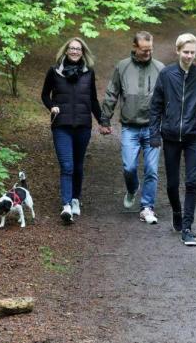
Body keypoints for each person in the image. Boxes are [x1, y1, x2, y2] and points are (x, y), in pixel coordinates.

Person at [149, 33, 196, 246]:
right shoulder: (167, 75)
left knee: (191, 182)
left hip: (193, 136)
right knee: (171, 184)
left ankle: (187, 227)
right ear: (178, 51)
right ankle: (177, 211)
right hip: (170, 136)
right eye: (185, 52)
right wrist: (154, 134)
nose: (189, 56)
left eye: (192, 52)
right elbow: (156, 106)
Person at [99, 31, 166, 224]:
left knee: (152, 169)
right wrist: (105, 120)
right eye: (144, 49)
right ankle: (132, 188)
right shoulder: (122, 67)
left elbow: (169, 98)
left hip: (153, 127)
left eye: (150, 49)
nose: (147, 53)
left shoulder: (160, 68)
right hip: (130, 127)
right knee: (129, 167)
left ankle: (147, 207)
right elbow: (112, 93)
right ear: (135, 47)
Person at [41, 37, 102, 225]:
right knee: (67, 166)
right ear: (66, 51)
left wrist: (102, 121)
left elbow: (92, 99)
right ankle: (66, 205)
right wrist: (51, 106)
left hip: (83, 125)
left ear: (83, 52)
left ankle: (76, 199)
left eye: (78, 49)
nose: (75, 51)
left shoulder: (88, 73)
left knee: (78, 165)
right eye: (72, 48)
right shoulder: (54, 71)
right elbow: (44, 95)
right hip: (62, 126)